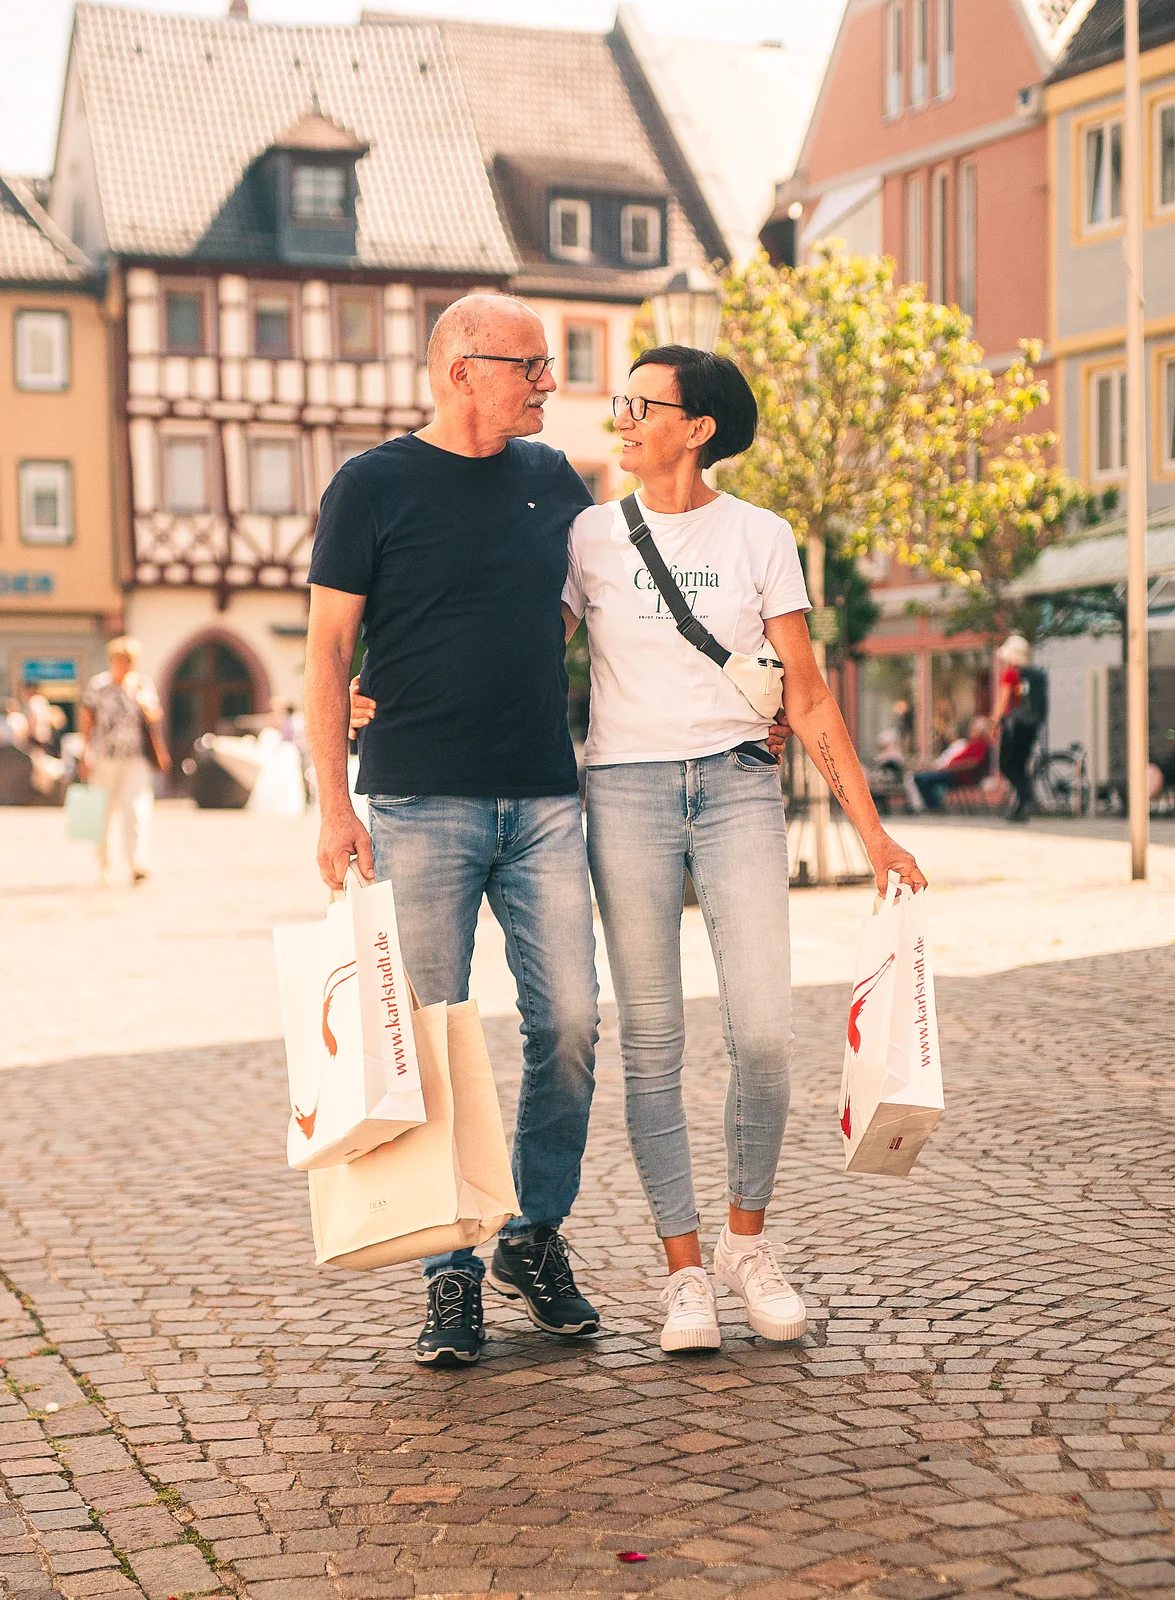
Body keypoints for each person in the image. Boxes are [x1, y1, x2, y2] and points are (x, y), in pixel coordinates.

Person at [352, 348, 923, 1356]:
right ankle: (685, 1272)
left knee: (762, 1035)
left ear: (696, 426)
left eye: (638, 403)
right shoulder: (589, 533)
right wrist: (379, 681)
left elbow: (806, 684)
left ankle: (748, 1243)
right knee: (650, 1041)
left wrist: (871, 828)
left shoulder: (761, 534)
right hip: (626, 792)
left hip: (741, 788)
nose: (618, 416)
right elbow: (518, 637)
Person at [305, 292, 605, 1369]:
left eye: (548, 365)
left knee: (569, 1022)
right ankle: (450, 1276)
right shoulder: (372, 485)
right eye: (530, 365)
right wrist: (334, 803)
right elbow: (328, 652)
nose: (547, 384)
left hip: (542, 799)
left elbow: (574, 604)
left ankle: (532, 1233)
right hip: (417, 804)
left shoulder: (556, 482)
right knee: (431, 1043)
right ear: (461, 368)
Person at [82, 637, 163, 885]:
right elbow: (87, 719)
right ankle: (104, 864)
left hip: (135, 758)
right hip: (105, 757)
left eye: (129, 661)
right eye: (120, 660)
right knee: (102, 813)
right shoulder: (99, 686)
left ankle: (136, 862)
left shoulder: (142, 685)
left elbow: (154, 716)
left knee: (135, 809)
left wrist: (141, 701)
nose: (124, 665)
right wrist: (85, 751)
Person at [992, 634, 1046, 823]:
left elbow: (1004, 700)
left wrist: (995, 722)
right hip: (1030, 726)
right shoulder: (1031, 674)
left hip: (1015, 726)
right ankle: (1021, 804)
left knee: (1006, 764)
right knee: (1020, 765)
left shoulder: (1012, 673)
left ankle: (1025, 796)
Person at [910, 716, 994, 812]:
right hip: (954, 772)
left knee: (921, 778)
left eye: (974, 729)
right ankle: (934, 805)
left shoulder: (981, 744)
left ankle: (934, 807)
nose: (971, 731)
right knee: (921, 777)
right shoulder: (973, 743)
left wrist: (951, 767)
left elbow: (974, 763)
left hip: (960, 775)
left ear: (980, 731)